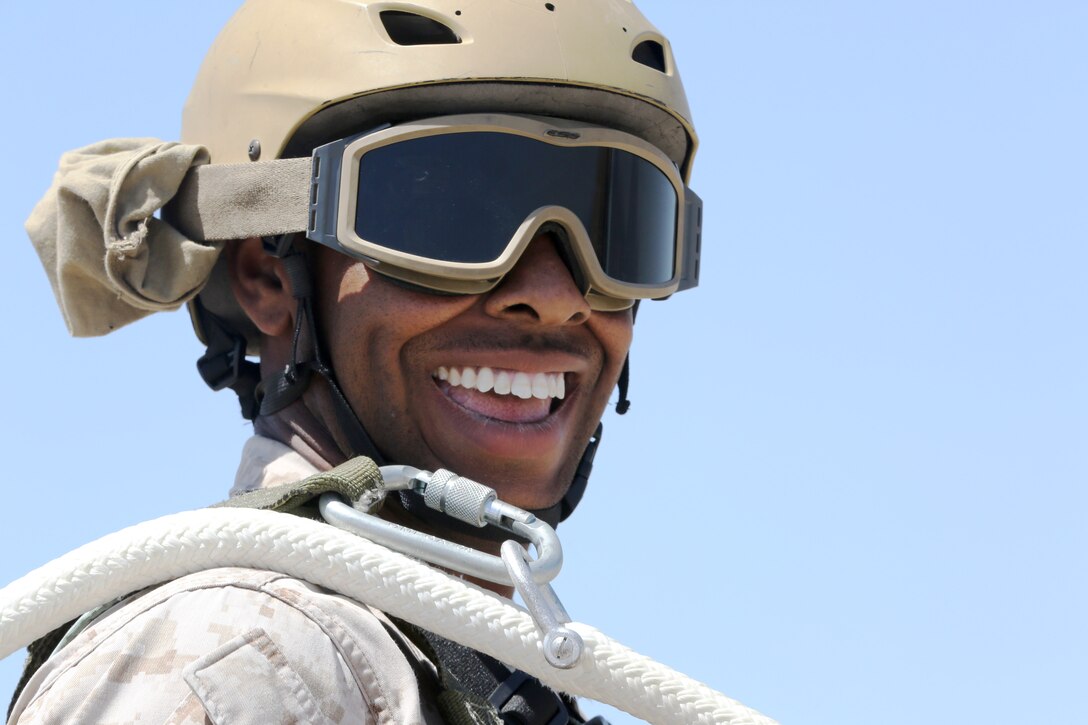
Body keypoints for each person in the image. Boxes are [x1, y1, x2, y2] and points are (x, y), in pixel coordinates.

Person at [8, 0, 701, 722]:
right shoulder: (245, 664)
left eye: (616, 227)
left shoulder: (444, 660)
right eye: (450, 216)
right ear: (267, 275)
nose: (556, 297)